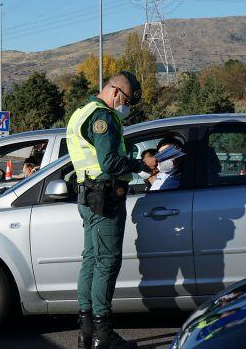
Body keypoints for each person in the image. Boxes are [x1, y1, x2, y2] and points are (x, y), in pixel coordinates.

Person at [67, 72, 155, 349]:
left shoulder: (81, 112)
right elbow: (109, 162)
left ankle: (86, 331)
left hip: (88, 197)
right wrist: (141, 165)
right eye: (127, 101)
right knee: (106, 262)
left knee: (91, 261)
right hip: (105, 198)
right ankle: (103, 336)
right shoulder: (103, 117)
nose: (126, 108)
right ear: (116, 92)